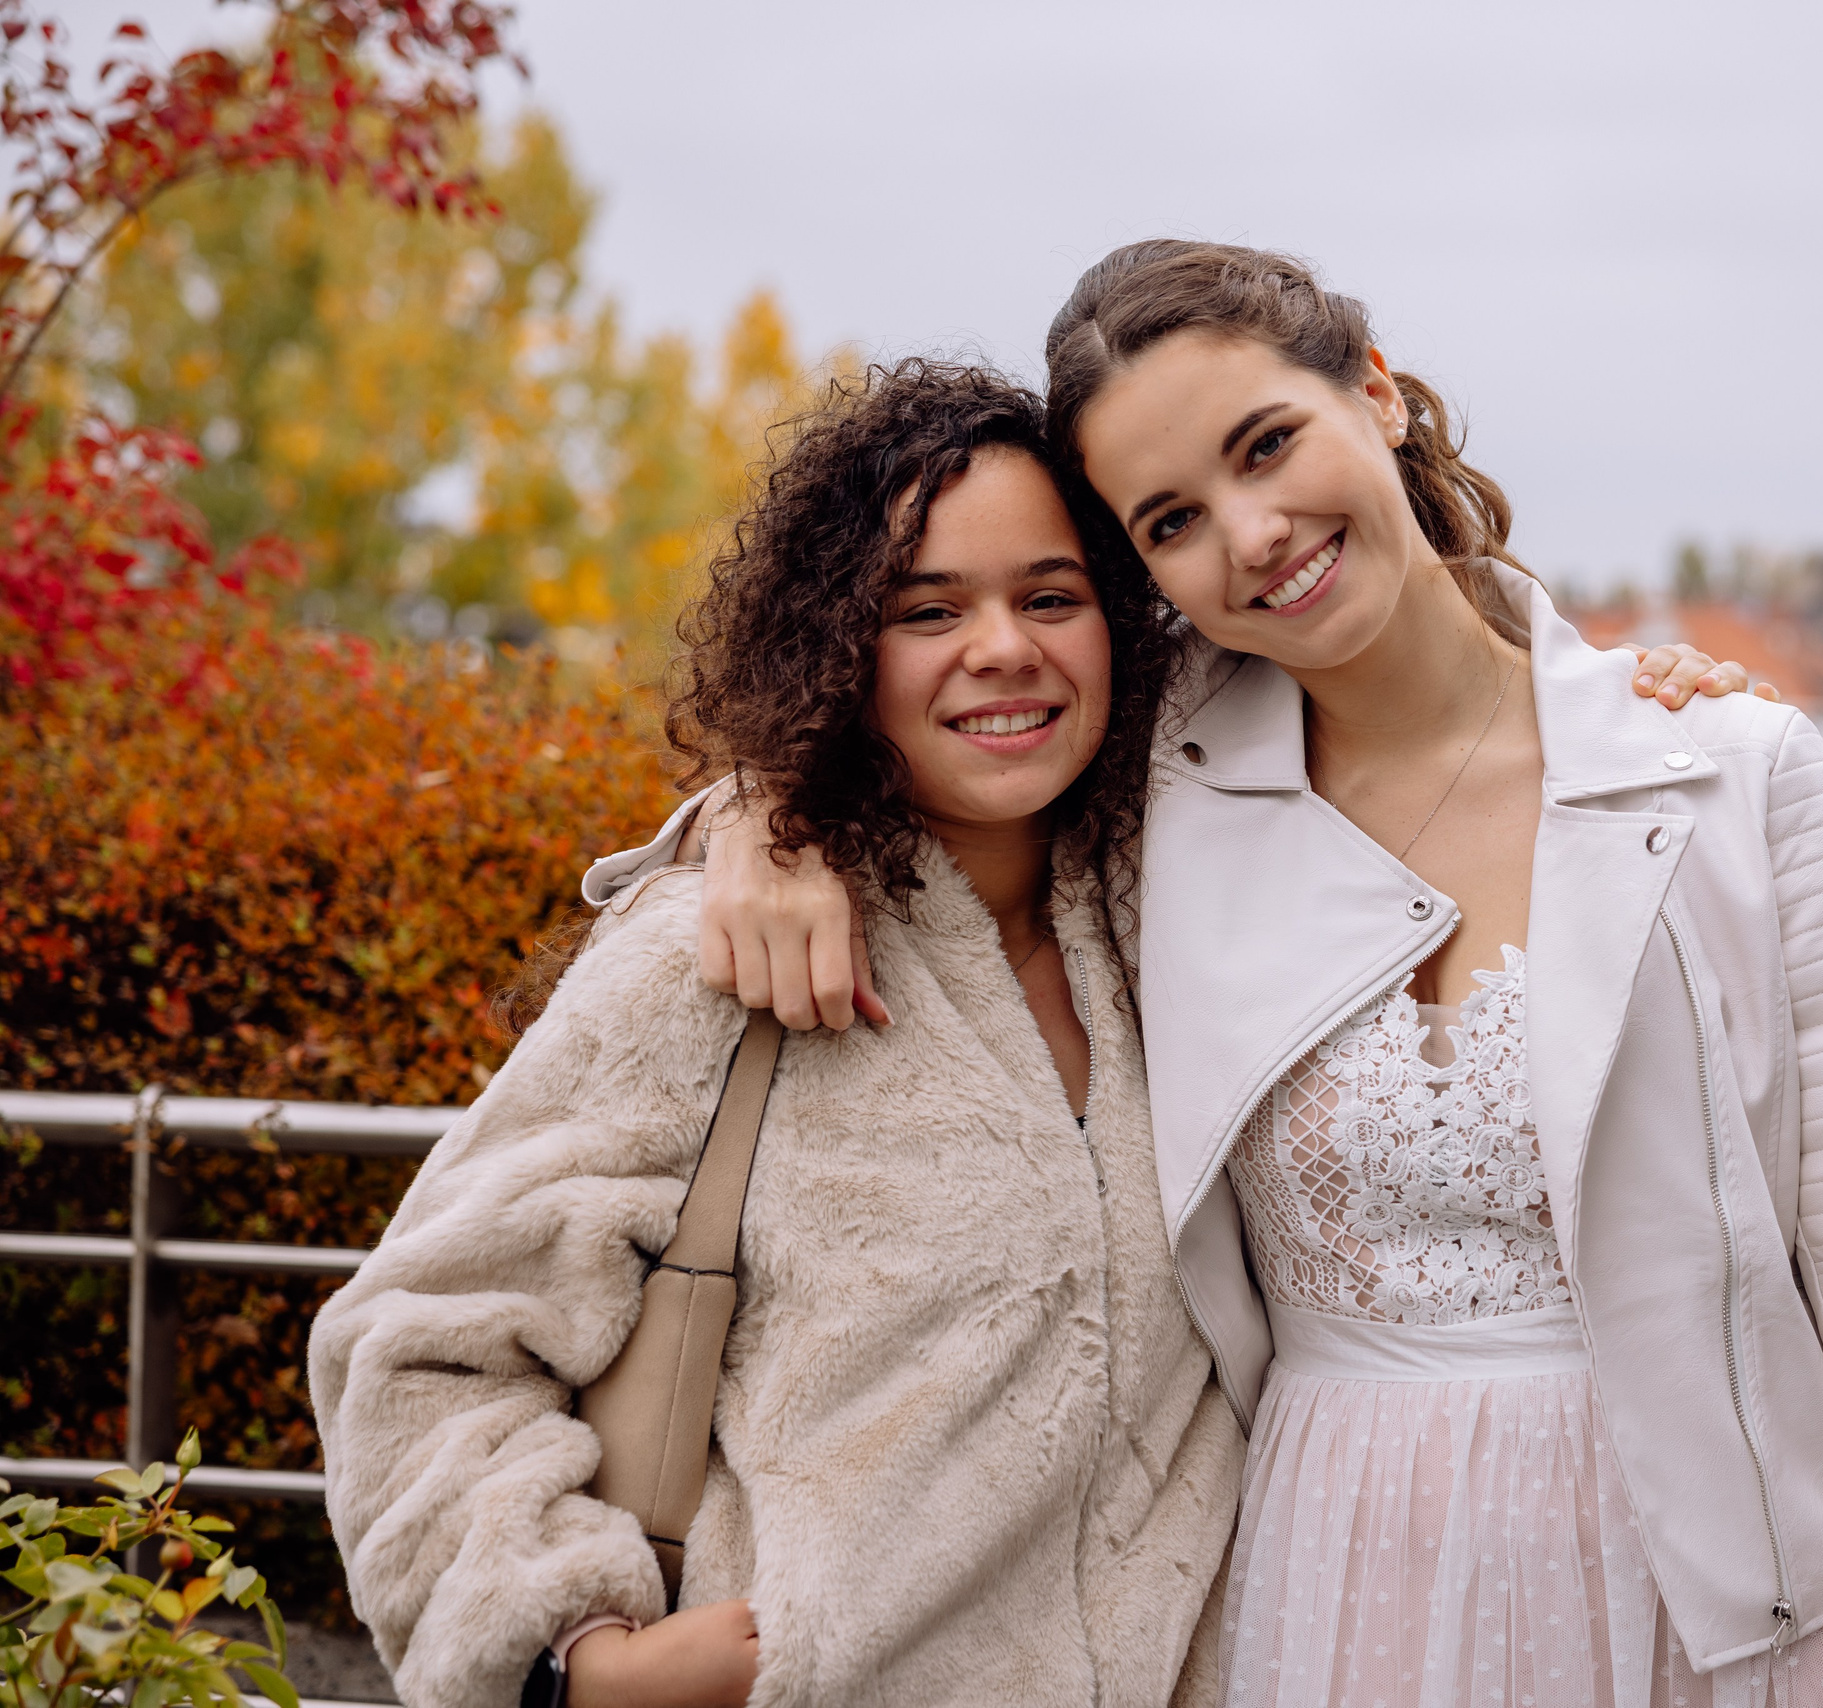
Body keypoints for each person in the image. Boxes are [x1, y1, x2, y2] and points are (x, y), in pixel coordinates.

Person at [640, 243, 1823, 1708]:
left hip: (1706, 1607)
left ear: (1374, 394)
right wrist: (762, 817)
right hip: (1322, 1593)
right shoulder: (1154, 803)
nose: (1252, 536)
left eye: (1268, 446)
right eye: (1174, 519)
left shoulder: (1725, 779)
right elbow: (930, 771)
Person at [311, 363, 1246, 1708]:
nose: (1004, 647)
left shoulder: (1192, 934)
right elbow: (416, 1339)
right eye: (928, 610)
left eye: (1052, 596)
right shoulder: (711, 964)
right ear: (840, 653)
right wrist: (575, 1654)